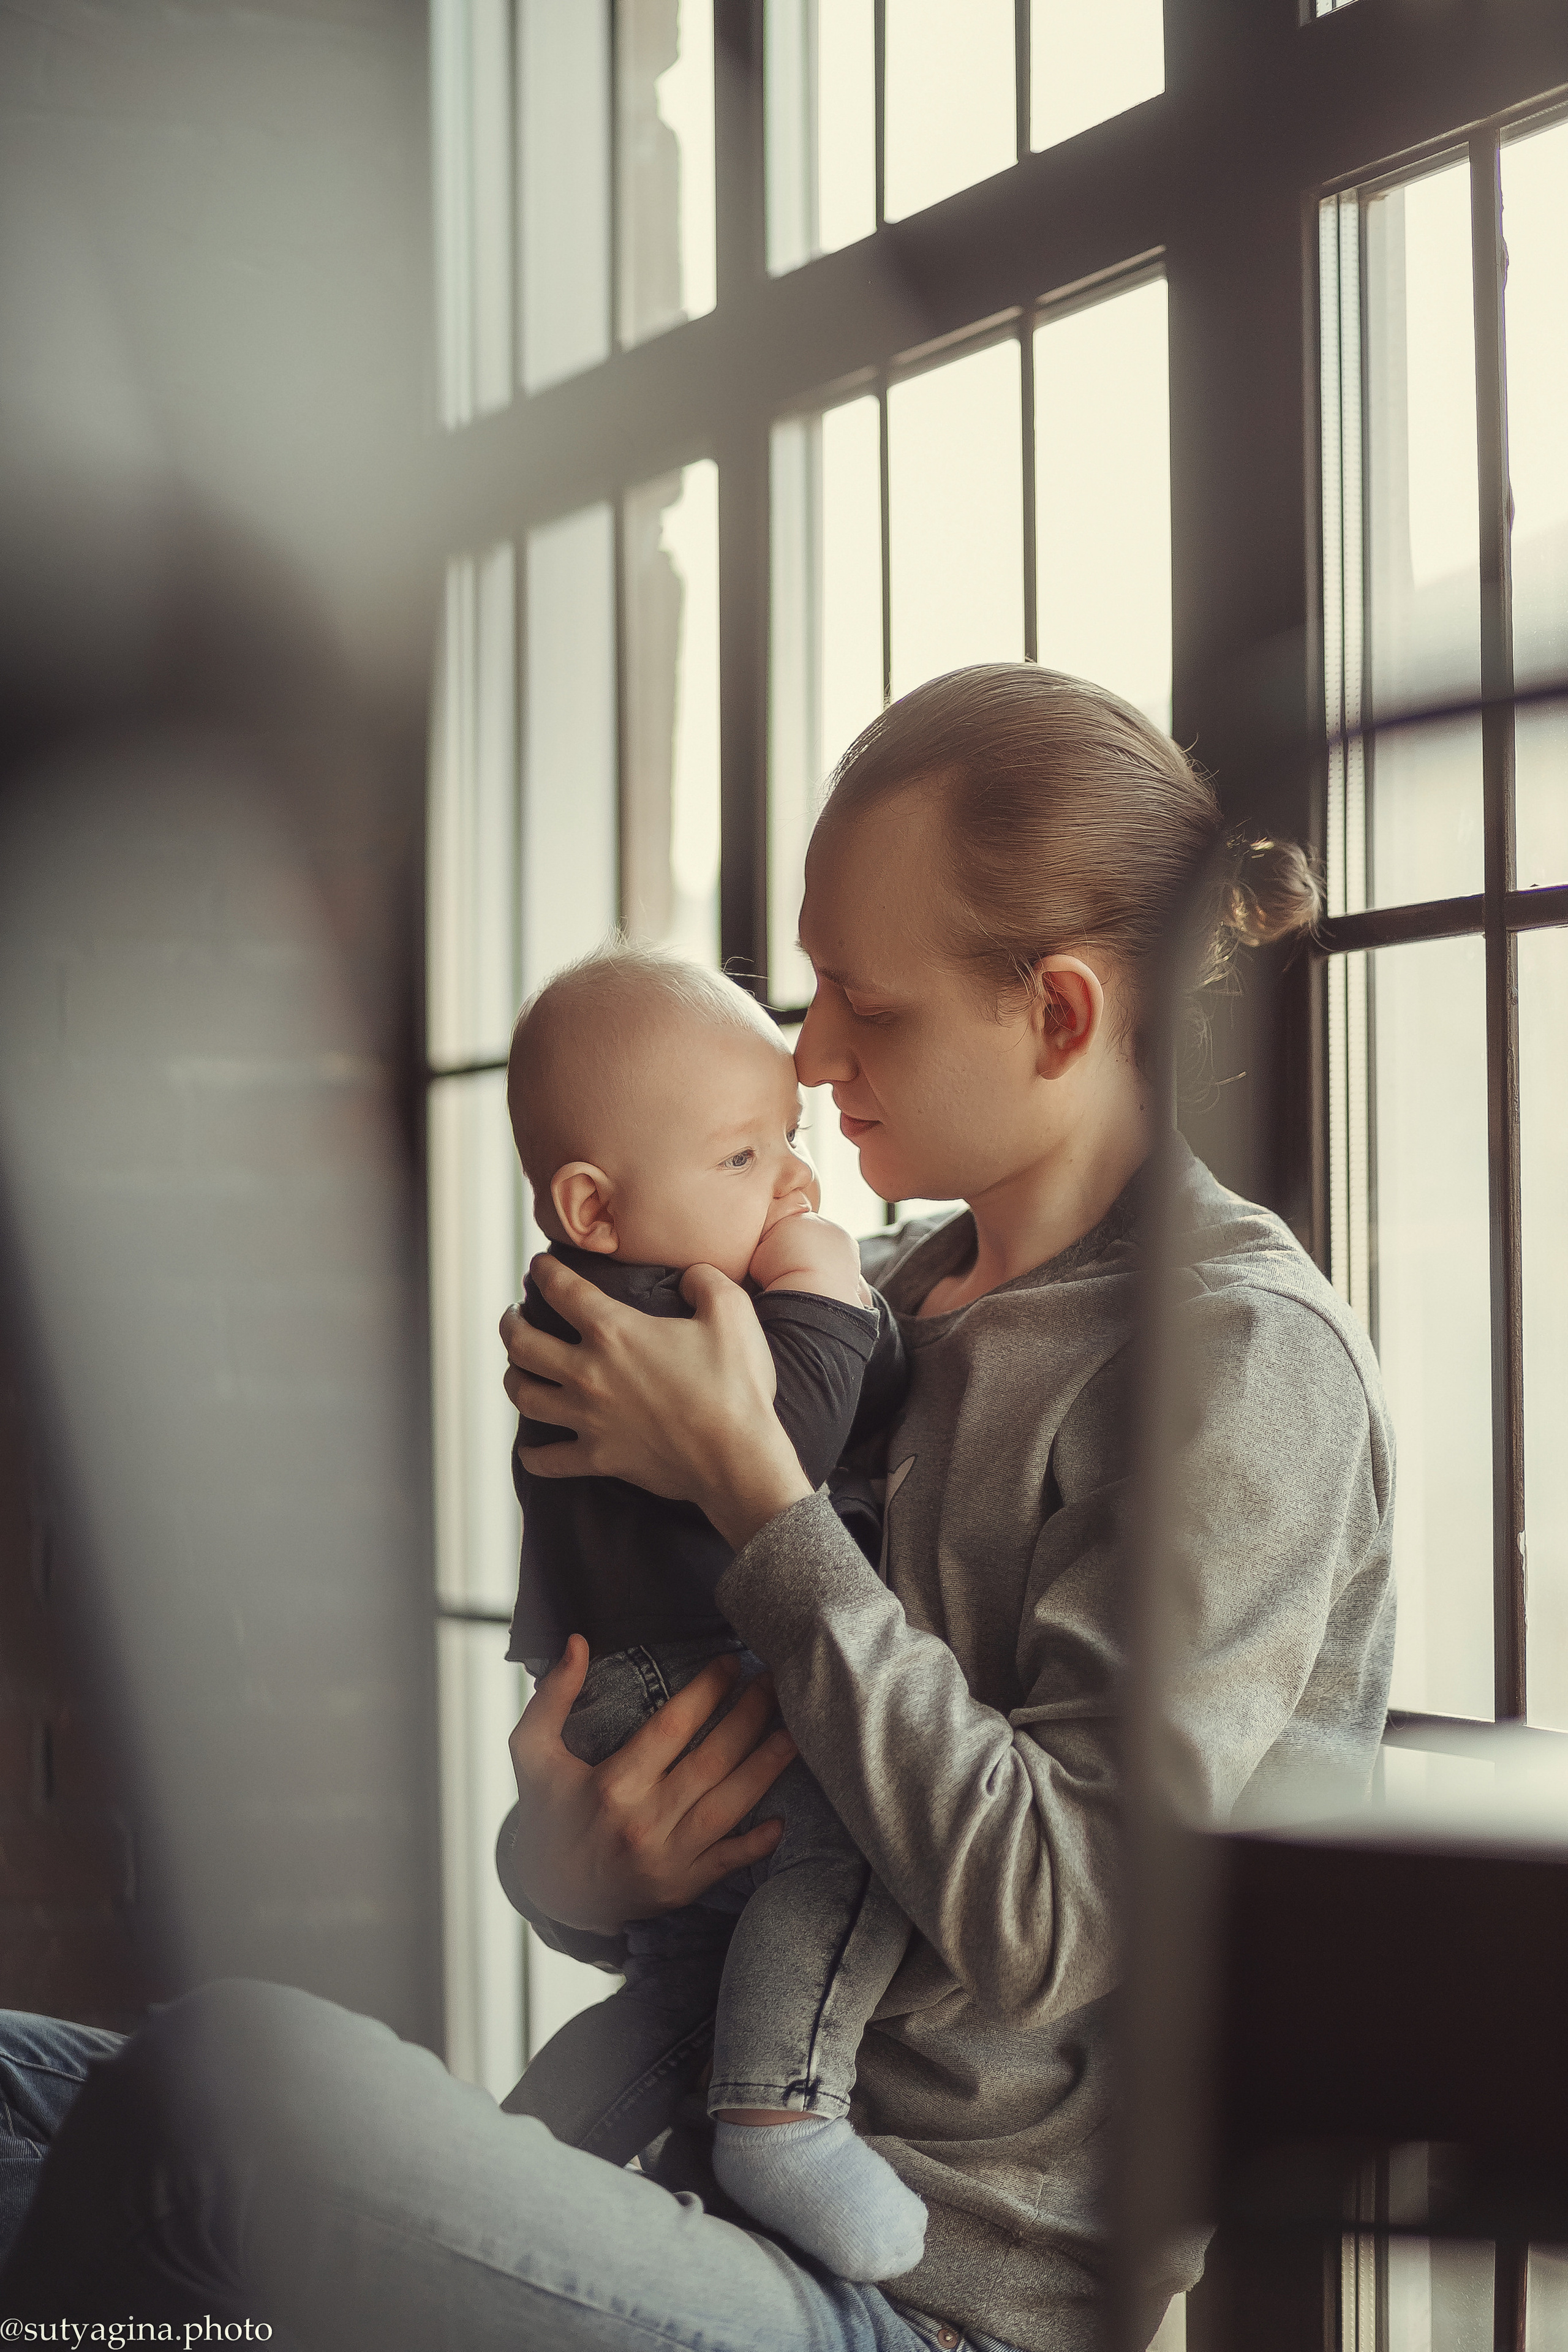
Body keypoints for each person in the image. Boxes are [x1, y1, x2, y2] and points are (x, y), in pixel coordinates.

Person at [0, 666, 1396, 2352]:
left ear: (1063, 1016)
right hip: (665, 2179)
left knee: (222, 2092)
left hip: (925, 2304)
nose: (805, 1057)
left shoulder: (1232, 1362)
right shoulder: (865, 1305)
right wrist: (573, 1865)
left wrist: (752, 1487)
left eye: (861, 1006)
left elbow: (1049, 1925)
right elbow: (728, 1818)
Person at [499, 941, 922, 2279]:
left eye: (786, 1140)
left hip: (641, 1686)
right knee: (856, 1832)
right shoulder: (641, 1311)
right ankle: (778, 2113)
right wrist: (819, 1284)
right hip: (682, 1682)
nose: (793, 1180)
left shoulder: (642, 1292)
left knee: (683, 1983)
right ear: (594, 1206)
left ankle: (519, 2154)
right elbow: (779, 1440)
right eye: (742, 1159)